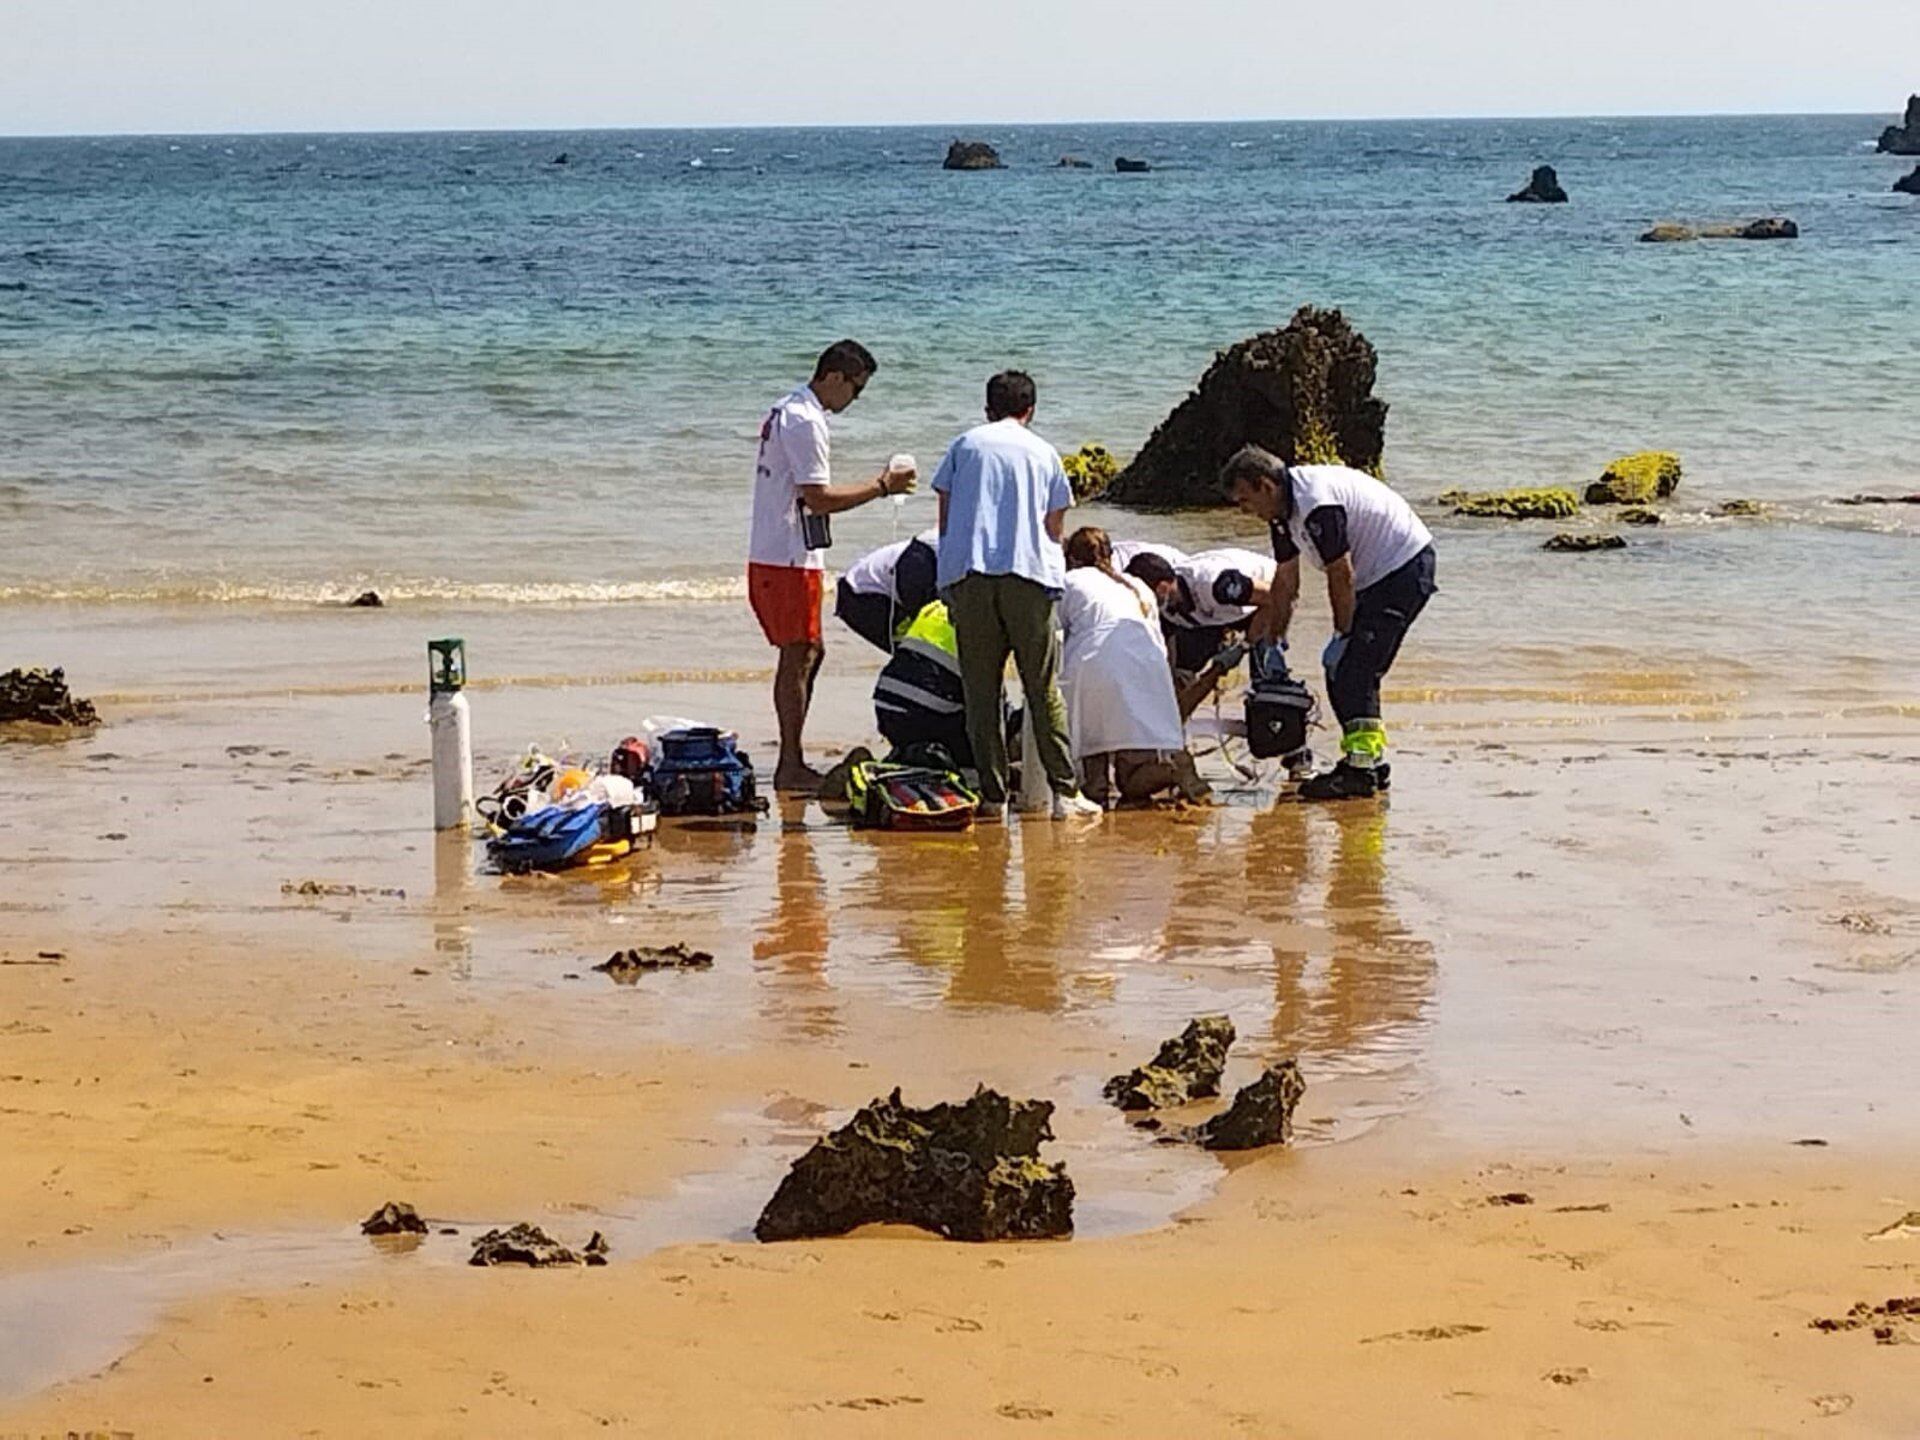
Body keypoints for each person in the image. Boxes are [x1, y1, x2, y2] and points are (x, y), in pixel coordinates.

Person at [1220, 445, 1437, 800]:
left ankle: (1360, 770)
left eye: (1245, 500)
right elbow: (1286, 581)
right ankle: (1367, 761)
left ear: (1266, 486)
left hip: (1403, 568)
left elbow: (1341, 574)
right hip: (1377, 577)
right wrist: (1274, 640)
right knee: (1342, 670)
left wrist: (1342, 633)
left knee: (1355, 669)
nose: (1245, 511)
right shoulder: (1282, 515)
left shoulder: (1316, 504)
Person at [747, 340, 916, 791]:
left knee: (809, 652)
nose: (855, 399)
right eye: (856, 389)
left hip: (783, 551)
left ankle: (792, 755)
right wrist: (883, 485)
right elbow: (817, 497)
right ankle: (789, 764)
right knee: (800, 654)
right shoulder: (805, 420)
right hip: (786, 556)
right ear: (835, 377)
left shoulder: (791, 409)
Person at [932, 370, 1101, 819]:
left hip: (971, 576)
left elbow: (945, 519)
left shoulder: (964, 446)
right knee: (1042, 688)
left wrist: (947, 580)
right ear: (1030, 410)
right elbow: (1054, 527)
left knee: (981, 694)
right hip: (1028, 576)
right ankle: (1065, 793)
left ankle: (992, 796)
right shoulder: (1044, 452)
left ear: (988, 408)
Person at [1060, 528, 1211, 806]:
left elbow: (1055, 635)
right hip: (1146, 672)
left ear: (1071, 558)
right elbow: (1158, 641)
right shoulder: (1138, 586)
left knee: (1093, 778)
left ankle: (1098, 795)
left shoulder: (1069, 581)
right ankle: (1173, 770)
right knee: (1130, 782)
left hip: (1094, 666)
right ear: (1111, 554)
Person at [1121, 544, 1277, 675]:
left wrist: (1245, 645)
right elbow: (1167, 652)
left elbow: (1274, 597)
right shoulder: (1166, 607)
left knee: (1265, 667)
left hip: (1262, 595)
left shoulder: (1215, 584)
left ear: (1162, 588)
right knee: (1184, 666)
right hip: (1206, 614)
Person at [871, 599, 972, 766]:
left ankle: (910, 752)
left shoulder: (935, 606)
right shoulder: (987, 621)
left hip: (887, 707)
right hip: (925, 713)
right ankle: (929, 756)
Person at [834, 529, 939, 653]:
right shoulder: (922, 555)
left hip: (884, 588)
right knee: (917, 655)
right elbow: (912, 596)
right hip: (863, 594)